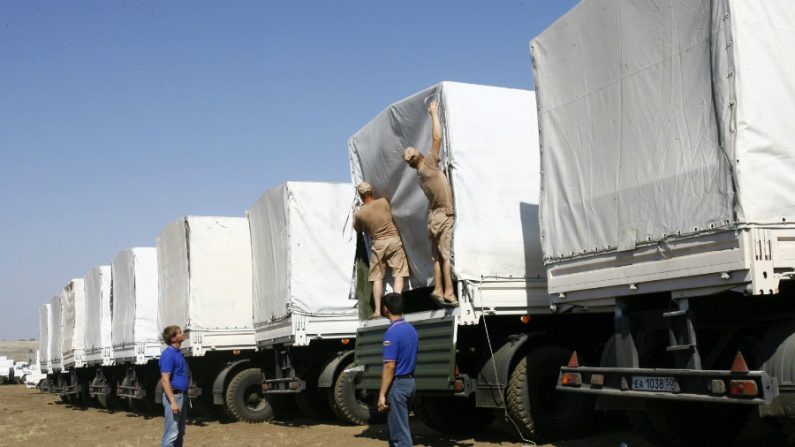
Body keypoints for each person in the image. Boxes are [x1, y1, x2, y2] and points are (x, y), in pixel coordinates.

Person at [403, 100, 457, 306]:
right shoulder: (429, 165)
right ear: (419, 156)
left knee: (436, 257)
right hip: (443, 214)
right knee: (445, 256)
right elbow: (437, 137)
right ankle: (449, 292)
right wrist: (433, 113)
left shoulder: (420, 174)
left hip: (433, 216)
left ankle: (438, 288)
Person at [354, 181, 410, 318]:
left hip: (378, 244)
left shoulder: (360, 213)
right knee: (398, 274)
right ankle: (396, 309)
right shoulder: (384, 202)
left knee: (377, 278)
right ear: (371, 191)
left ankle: (378, 311)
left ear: (360, 195)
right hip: (394, 240)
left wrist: (356, 212)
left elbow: (356, 228)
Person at [377, 293, 418, 447]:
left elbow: (390, 366)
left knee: (399, 436)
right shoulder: (411, 329)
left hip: (398, 386)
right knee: (396, 431)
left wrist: (382, 394)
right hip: (410, 383)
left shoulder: (391, 333)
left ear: (386, 309)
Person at [160, 325, 188, 447]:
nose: (183, 333)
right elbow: (165, 380)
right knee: (171, 434)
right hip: (175, 397)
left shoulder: (177, 353)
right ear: (173, 338)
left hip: (181, 396)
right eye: (179, 332)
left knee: (179, 433)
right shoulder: (168, 355)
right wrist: (173, 402)